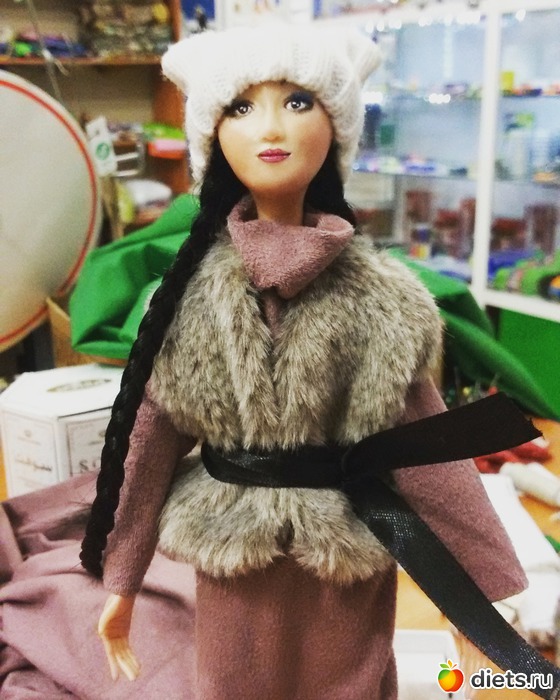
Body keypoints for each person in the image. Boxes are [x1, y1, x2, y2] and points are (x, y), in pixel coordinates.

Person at [80, 23, 527, 699]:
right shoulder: (187, 299)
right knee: (235, 680)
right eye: (241, 106)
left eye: (297, 102)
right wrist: (122, 580)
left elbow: (426, 449)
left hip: (347, 546)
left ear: (335, 127)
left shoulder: (382, 298)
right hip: (233, 549)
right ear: (214, 138)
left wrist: (476, 593)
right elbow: (148, 446)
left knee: (348, 679)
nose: (271, 127)